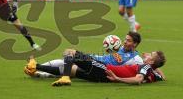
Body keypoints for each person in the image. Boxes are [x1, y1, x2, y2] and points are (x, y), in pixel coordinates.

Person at [26, 31, 144, 78]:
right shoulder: (122, 48)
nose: (124, 42)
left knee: (69, 56)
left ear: (135, 44)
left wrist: (157, 71)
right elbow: (113, 54)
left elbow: (144, 69)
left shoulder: (135, 58)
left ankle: (36, 68)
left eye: (128, 40)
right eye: (125, 39)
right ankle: (36, 70)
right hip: (95, 59)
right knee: (68, 63)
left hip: (100, 66)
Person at [25, 50, 166, 86]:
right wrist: (155, 65)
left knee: (70, 53)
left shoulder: (146, 66)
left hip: (105, 70)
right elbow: (162, 76)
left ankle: (65, 78)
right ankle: (35, 67)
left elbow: (138, 79)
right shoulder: (153, 73)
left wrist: (118, 78)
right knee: (73, 69)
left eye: (150, 55)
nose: (146, 55)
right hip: (104, 76)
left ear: (151, 61)